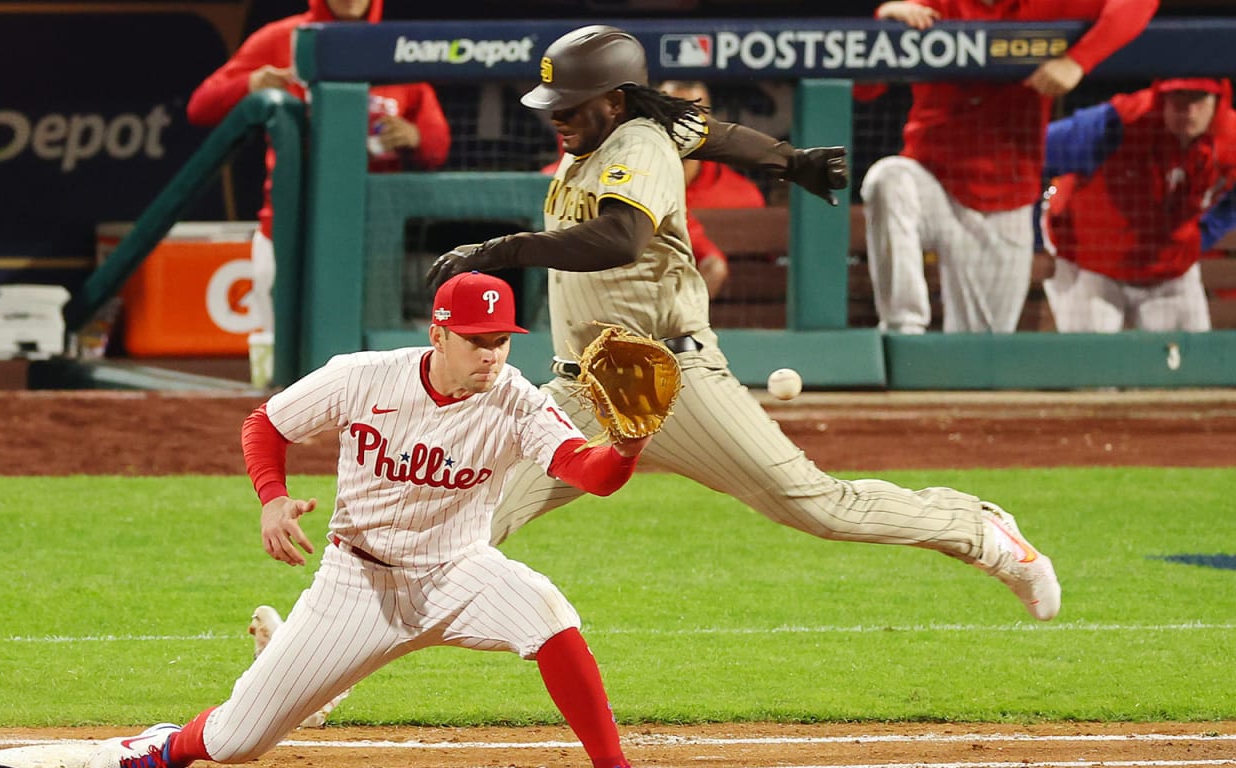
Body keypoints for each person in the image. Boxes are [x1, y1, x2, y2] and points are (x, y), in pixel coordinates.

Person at [427, 25, 1061, 623]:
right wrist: (789, 159)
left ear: (615, 101)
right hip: (580, 392)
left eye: (571, 103)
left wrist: (501, 251)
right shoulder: (628, 131)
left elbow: (622, 237)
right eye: (553, 103)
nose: (556, 115)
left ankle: (978, 530)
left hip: (668, 380)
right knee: (468, 519)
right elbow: (710, 132)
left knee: (815, 505)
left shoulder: (637, 143)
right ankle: (333, 660)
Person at [88, 271, 653, 768]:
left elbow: (589, 473)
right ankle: (166, 747)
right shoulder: (365, 376)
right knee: (238, 740)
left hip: (457, 573)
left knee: (548, 614)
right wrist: (272, 497)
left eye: (501, 341)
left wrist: (625, 447)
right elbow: (267, 423)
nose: (492, 355)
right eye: (477, 341)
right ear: (438, 335)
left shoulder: (518, 402)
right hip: (357, 583)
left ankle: (613, 765)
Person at [860, 0, 1158, 334]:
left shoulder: (1050, 5)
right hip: (932, 180)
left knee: (978, 353)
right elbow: (864, 88)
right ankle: (904, 331)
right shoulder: (936, 4)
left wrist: (1077, 61)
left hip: (1007, 196)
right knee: (887, 180)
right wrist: (883, 27)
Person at [185, 0, 450, 346]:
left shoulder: (398, 44)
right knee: (282, 358)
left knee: (373, 362)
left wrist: (415, 136)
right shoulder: (282, 38)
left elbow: (437, 147)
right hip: (289, 229)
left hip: (374, 237)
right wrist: (250, 84)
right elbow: (201, 106)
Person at [1041, 78, 1236, 332]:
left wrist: (1206, 233)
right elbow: (1034, 152)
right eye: (1178, 96)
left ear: (1218, 101)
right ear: (1161, 96)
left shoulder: (1230, 139)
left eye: (1198, 98)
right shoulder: (1119, 123)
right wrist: (1036, 241)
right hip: (1090, 263)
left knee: (1189, 365)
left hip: (1168, 267)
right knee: (1092, 365)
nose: (1188, 109)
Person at [657, 80, 768, 300]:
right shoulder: (631, 183)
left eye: (695, 112)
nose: (684, 124)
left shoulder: (743, 195)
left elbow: (763, 278)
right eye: (672, 112)